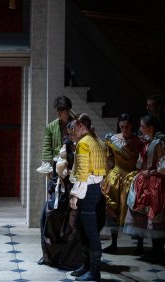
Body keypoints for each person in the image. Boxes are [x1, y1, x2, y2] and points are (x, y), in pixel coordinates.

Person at [68, 113, 107, 281]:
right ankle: (86, 266)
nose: (72, 133)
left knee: (90, 232)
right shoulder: (97, 140)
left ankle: (94, 271)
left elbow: (83, 173)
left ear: (81, 126)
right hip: (97, 190)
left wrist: (75, 195)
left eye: (74, 128)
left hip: (88, 191)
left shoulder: (84, 144)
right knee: (82, 228)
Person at [40, 120, 82, 270]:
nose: (71, 136)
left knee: (70, 221)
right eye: (69, 134)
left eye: (73, 133)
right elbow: (60, 169)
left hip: (77, 189)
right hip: (63, 188)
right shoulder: (66, 147)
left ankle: (68, 258)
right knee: (47, 214)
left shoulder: (84, 146)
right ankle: (49, 255)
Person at [37, 95, 74, 265]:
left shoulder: (78, 124)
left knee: (70, 217)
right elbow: (46, 147)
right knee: (50, 213)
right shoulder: (52, 127)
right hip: (56, 170)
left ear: (68, 110)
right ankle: (48, 254)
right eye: (59, 112)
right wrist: (49, 172)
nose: (62, 115)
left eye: (64, 112)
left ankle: (69, 254)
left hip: (74, 172)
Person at [123, 114, 165, 261]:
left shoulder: (159, 143)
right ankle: (146, 247)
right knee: (142, 215)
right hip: (145, 180)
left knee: (155, 216)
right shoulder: (147, 142)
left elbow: (163, 166)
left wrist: (150, 172)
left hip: (155, 182)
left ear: (150, 128)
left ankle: (158, 251)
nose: (140, 129)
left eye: (142, 126)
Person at [101, 113, 142, 254]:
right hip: (115, 178)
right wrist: (105, 177)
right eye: (122, 126)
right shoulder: (113, 140)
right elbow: (109, 160)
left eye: (127, 126)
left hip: (132, 177)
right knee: (113, 208)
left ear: (132, 126)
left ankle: (140, 244)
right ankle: (114, 243)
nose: (124, 129)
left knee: (135, 209)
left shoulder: (138, 141)